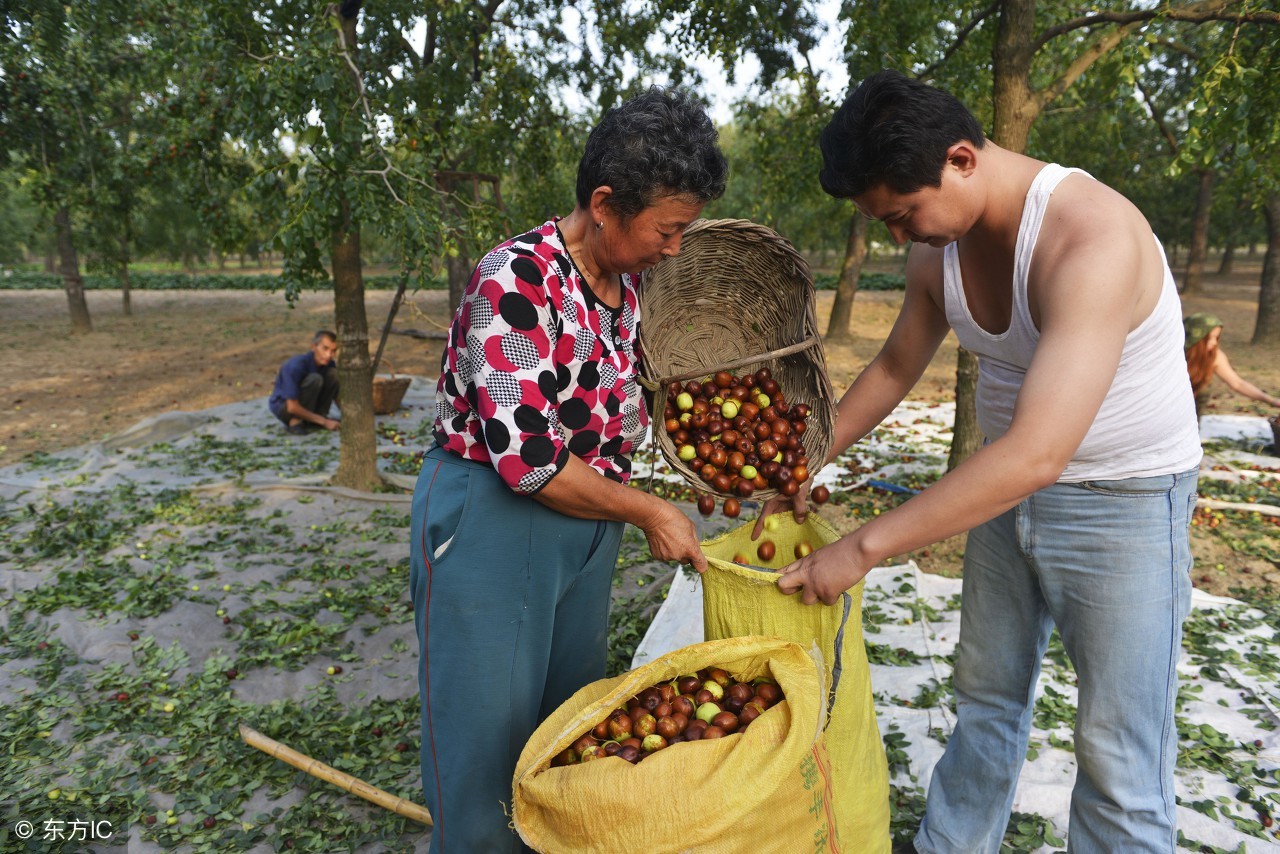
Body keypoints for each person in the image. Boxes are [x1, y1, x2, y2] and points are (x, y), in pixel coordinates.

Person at [757, 70, 1202, 853]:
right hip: (1003, 490)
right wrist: (805, 458)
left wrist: (860, 549)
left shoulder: (1091, 237)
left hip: (1124, 501)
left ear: (961, 158)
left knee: (1117, 747)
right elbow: (895, 367)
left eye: (902, 215)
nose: (900, 239)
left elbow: (1040, 451)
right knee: (985, 699)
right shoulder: (943, 245)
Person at [408, 86, 725, 853]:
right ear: (605, 202)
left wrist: (690, 473)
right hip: (495, 520)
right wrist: (648, 510)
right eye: (668, 229)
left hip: (587, 523)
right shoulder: (516, 282)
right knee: (485, 739)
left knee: (562, 724)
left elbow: (628, 406)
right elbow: (530, 461)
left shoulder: (632, 289)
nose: (676, 247)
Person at [1183, 311, 1280, 417]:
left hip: (1193, 413)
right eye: (1210, 338)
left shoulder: (1214, 356)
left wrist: (1272, 401)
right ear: (1196, 337)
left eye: (1217, 337)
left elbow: (1238, 384)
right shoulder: (1174, 354)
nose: (1214, 343)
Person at [268, 330, 340, 434]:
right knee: (315, 379)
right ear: (313, 346)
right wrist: (324, 422)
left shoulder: (328, 364)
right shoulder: (295, 366)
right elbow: (291, 406)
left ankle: (316, 418)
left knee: (334, 374)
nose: (329, 355)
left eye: (333, 351)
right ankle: (296, 421)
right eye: (325, 349)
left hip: (309, 404)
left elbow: (336, 394)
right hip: (285, 407)